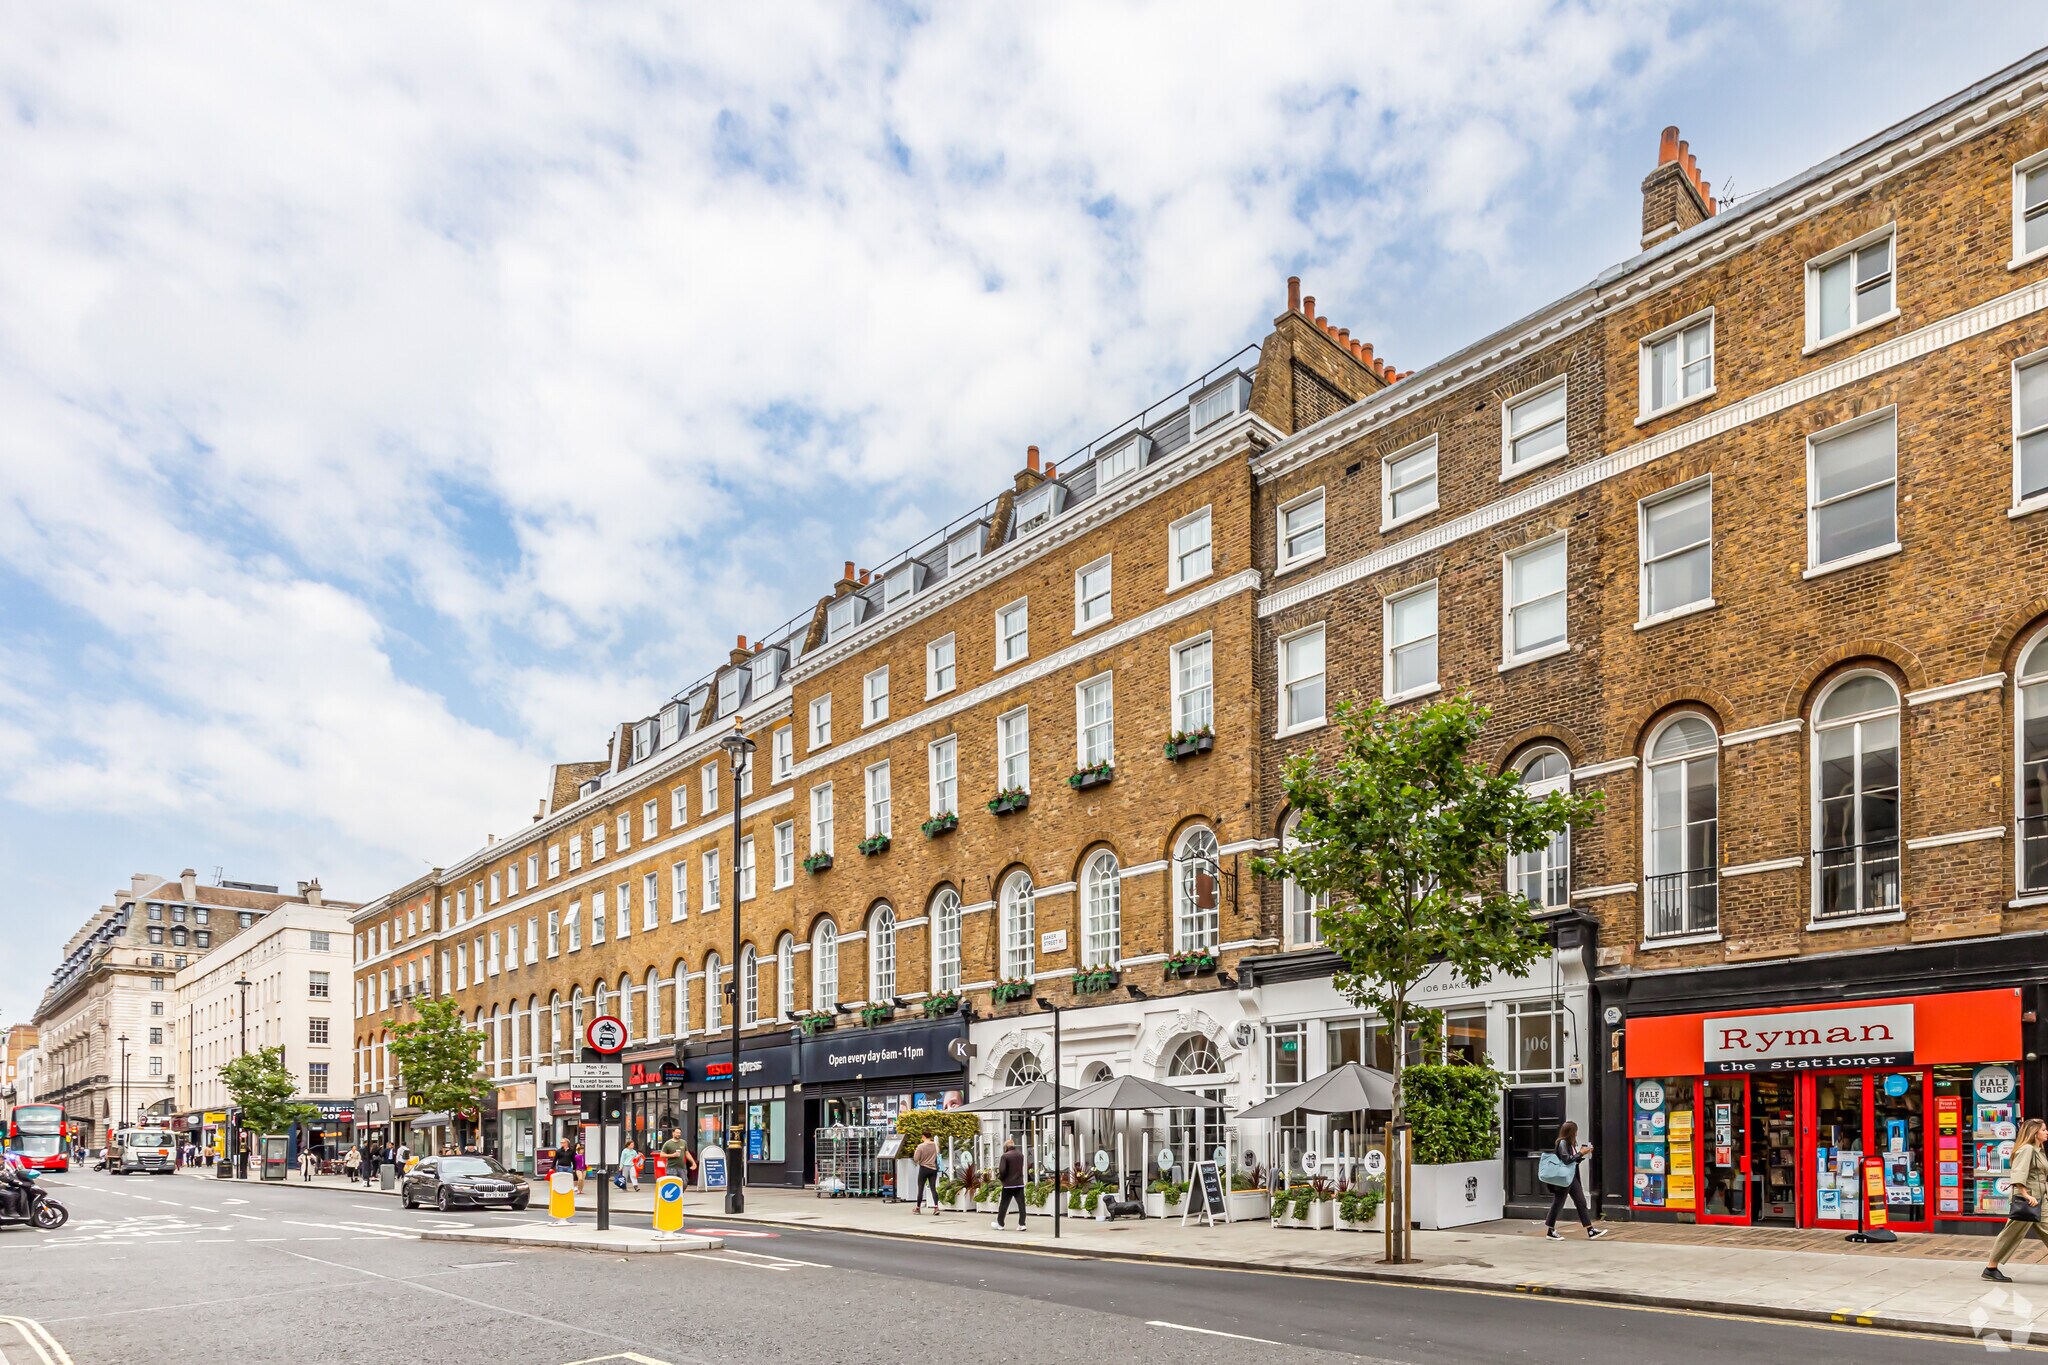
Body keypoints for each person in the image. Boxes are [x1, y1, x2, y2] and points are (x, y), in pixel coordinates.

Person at [1986, 1118, 2048, 1281]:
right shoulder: (2027, 1149)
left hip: (2040, 1199)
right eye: (2043, 1130)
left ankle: (1991, 1268)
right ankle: (1991, 1268)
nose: (2046, 1132)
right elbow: (2019, 1172)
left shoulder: (2039, 1150)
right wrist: (2026, 1195)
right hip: (2028, 1200)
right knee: (2011, 1233)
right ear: (2034, 1133)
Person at [1544, 1120, 1608, 1241]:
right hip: (1563, 1179)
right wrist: (1580, 1153)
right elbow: (1567, 1160)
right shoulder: (1562, 1143)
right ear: (1571, 1132)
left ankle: (1590, 1230)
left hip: (1571, 1177)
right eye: (1575, 1131)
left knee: (1581, 1202)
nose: (1577, 1134)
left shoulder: (1570, 1144)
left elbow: (1572, 1161)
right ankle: (1550, 1231)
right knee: (1558, 1203)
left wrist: (1583, 1154)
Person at [993, 1137, 1028, 1230]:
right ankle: (1022, 1224)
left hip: (1008, 1184)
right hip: (1019, 1183)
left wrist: (1001, 1178)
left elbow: (1002, 1170)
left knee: (1004, 1204)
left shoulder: (1005, 1156)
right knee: (1021, 1204)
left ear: (1006, 1147)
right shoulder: (1020, 1155)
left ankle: (1000, 1224)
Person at [912, 1133, 941, 1214]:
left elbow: (916, 1158)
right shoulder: (935, 1145)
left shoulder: (920, 1146)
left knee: (920, 1188)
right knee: (933, 1188)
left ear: (923, 1137)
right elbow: (938, 1154)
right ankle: (936, 1207)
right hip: (933, 1169)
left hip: (924, 1169)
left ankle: (918, 1208)